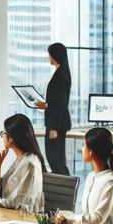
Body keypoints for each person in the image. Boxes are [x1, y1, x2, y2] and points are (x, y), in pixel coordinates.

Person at [55, 127, 113, 224]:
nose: (82, 148)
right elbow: (87, 215)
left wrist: (70, 219)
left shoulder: (110, 181)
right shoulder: (91, 176)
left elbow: (97, 219)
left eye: (84, 145)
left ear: (91, 152)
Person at [0, 113, 46, 212]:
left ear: (12, 137)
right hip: (8, 216)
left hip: (22, 221)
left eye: (4, 133)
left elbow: (17, 203)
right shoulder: (20, 160)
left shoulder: (30, 163)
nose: (2, 136)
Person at [35, 42, 72, 175]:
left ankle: (66, 190)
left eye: (49, 54)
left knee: (55, 161)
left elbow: (61, 104)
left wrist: (54, 128)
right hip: (57, 123)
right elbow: (57, 101)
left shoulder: (60, 75)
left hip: (56, 125)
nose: (48, 57)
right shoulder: (62, 72)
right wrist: (45, 105)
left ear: (54, 55)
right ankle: (66, 189)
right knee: (56, 160)